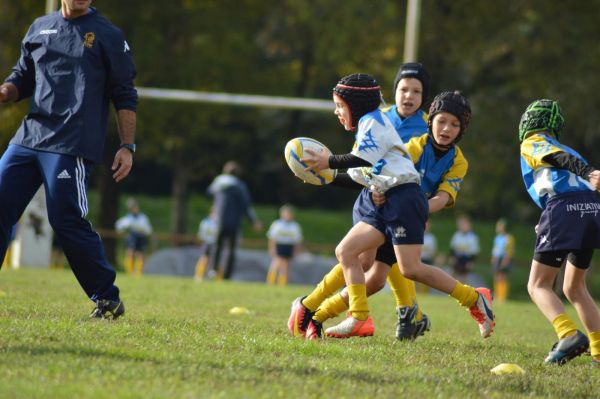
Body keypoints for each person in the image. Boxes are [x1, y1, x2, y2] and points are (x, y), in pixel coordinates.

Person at [288, 73, 494, 340]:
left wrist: (328, 164)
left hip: (404, 202)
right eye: (442, 121)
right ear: (430, 122)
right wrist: (327, 180)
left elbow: (363, 160)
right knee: (358, 261)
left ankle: (472, 298)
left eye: (339, 106)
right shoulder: (406, 141)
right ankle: (330, 316)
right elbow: (366, 173)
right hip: (389, 200)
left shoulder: (373, 122)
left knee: (408, 269)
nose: (446, 128)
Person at [0, 0, 137, 319]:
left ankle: (107, 299)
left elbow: (125, 94)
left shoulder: (108, 35)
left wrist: (127, 146)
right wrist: (6, 91)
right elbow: (22, 76)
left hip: (71, 143)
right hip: (28, 137)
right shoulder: (39, 27)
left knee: (66, 219)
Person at [519, 99, 600, 366]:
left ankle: (568, 334)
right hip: (592, 209)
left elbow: (557, 159)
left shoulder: (532, 142)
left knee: (538, 284)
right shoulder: (570, 148)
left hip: (565, 210)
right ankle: (599, 350)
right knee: (574, 287)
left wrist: (587, 171)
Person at [207, 161, 262, 280]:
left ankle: (212, 270)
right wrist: (253, 221)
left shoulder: (218, 183)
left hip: (219, 221)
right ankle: (226, 275)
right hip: (234, 222)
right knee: (231, 250)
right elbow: (245, 206)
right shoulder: (239, 186)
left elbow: (209, 192)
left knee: (217, 246)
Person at [266, 205, 303, 286]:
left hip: (288, 246)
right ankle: (270, 281)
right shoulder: (277, 224)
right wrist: (272, 248)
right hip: (279, 246)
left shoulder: (295, 226)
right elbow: (272, 238)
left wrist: (296, 251)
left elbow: (297, 240)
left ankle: (282, 283)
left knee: (285, 265)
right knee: (276, 263)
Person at [115, 198, 153, 276]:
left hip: (141, 236)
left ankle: (138, 272)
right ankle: (129, 271)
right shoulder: (128, 218)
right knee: (130, 252)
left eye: (134, 207)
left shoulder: (143, 217)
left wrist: (140, 227)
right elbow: (118, 226)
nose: (134, 209)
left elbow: (149, 230)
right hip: (133, 236)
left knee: (140, 254)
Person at [490, 218, 515, 303]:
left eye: (499, 226)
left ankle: (502, 297)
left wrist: (506, 259)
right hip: (497, 259)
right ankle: (497, 295)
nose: (497, 228)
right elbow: (495, 249)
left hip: (504, 259)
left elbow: (510, 250)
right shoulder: (497, 238)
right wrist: (493, 258)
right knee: (496, 277)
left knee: (502, 277)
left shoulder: (509, 238)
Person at [449, 215, 480, 283]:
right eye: (461, 225)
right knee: (454, 276)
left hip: (467, 259)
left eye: (465, 224)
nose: (463, 226)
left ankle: (463, 291)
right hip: (458, 257)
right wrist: (452, 257)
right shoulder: (457, 235)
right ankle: (453, 291)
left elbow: (474, 251)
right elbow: (452, 248)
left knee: (465, 277)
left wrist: (471, 261)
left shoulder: (473, 237)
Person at [194, 209, 218, 281]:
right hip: (206, 243)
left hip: (215, 244)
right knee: (203, 259)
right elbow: (201, 234)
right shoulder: (206, 222)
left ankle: (216, 278)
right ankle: (198, 276)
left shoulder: (219, 223)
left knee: (215, 261)